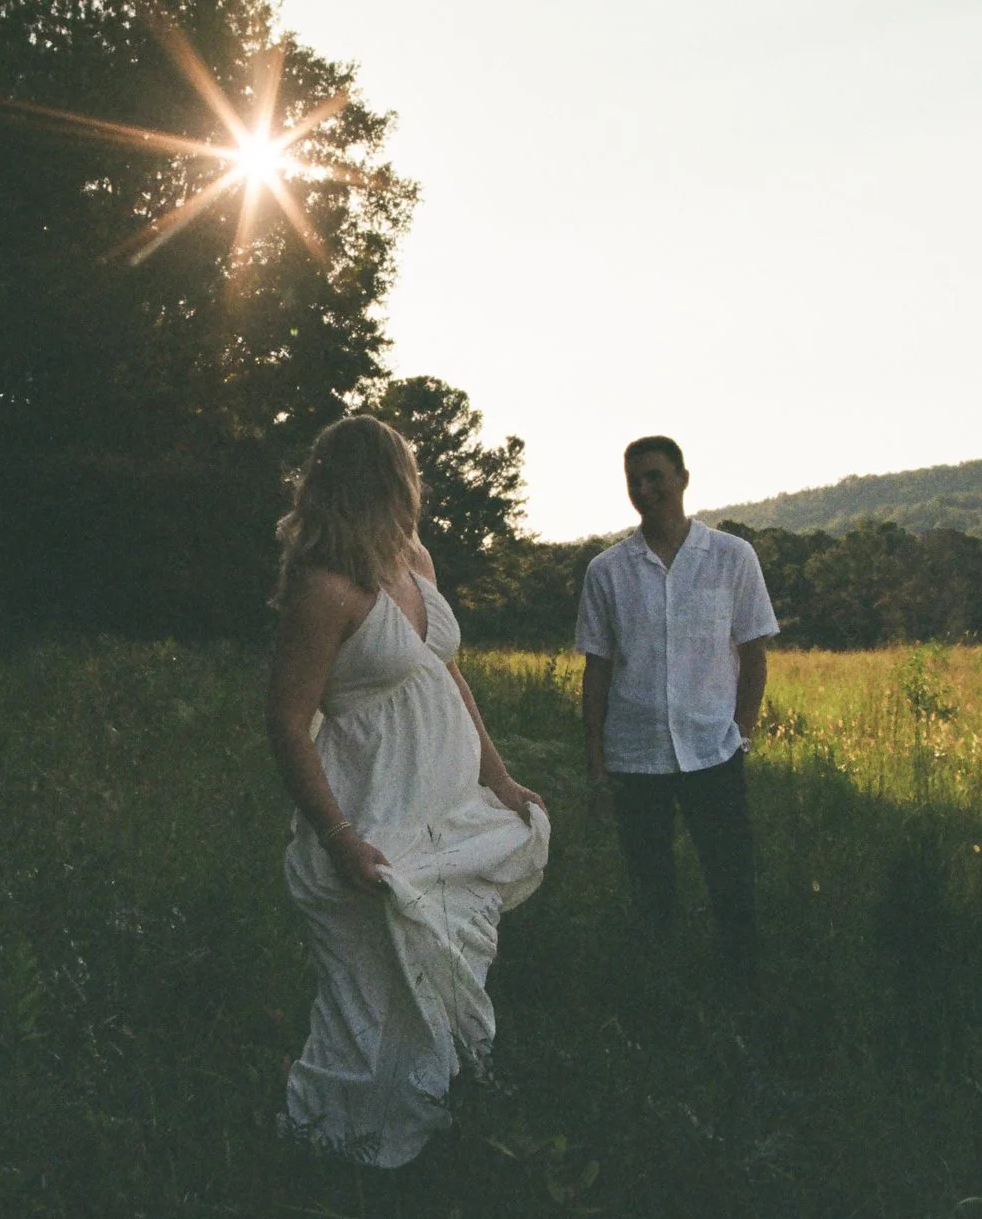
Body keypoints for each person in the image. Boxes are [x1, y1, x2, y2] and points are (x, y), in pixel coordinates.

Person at [267, 415, 550, 1167]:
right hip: (373, 817)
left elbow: (445, 672)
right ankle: (331, 1146)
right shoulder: (324, 584)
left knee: (441, 986)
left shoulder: (414, 555)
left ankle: (431, 1134)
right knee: (367, 1005)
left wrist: (498, 775)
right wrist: (337, 838)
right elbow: (289, 723)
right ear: (386, 479)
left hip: (447, 815)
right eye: (407, 473)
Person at [575, 435, 777, 979]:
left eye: (655, 477)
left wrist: (742, 732)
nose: (645, 490)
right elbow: (596, 671)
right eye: (634, 480)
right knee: (649, 884)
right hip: (635, 755)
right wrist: (596, 762)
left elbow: (754, 653)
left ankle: (742, 989)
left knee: (732, 880)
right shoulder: (607, 571)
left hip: (713, 750)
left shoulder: (733, 558)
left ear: (683, 478)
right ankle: (661, 989)